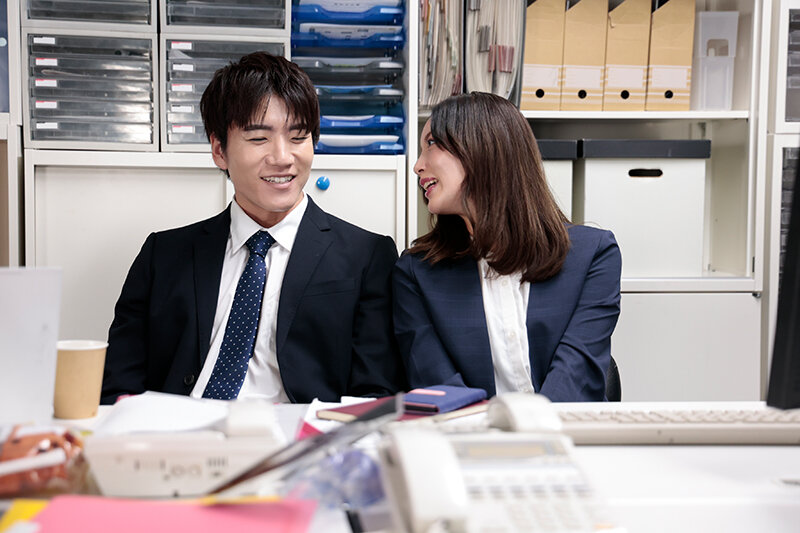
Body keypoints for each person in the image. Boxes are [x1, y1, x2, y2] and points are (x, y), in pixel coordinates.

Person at [101, 52, 405, 404]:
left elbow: (375, 395)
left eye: (298, 136)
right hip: (181, 430)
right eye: (259, 138)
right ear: (219, 150)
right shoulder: (163, 255)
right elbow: (118, 385)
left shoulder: (367, 256)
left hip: (299, 433)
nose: (282, 158)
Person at [393, 92, 621, 402]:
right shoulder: (415, 272)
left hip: (567, 428)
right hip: (471, 431)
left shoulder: (594, 255)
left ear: (482, 147)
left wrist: (532, 430)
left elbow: (576, 376)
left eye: (431, 143)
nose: (418, 166)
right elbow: (439, 385)